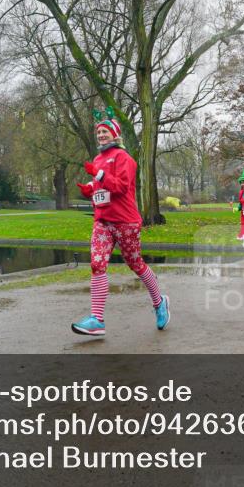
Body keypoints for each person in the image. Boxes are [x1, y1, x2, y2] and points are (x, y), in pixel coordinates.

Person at [72, 108, 169, 336]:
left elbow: (121, 187)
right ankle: (97, 319)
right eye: (99, 132)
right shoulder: (98, 159)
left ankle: (159, 303)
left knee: (136, 265)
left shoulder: (124, 158)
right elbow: (101, 189)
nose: (101, 135)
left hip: (125, 221)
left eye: (105, 132)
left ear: (115, 135)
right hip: (103, 222)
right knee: (97, 264)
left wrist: (98, 175)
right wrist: (89, 189)